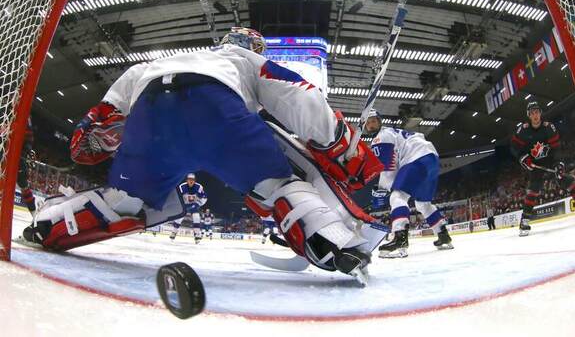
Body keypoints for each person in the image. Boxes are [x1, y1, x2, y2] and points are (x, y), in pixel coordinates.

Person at [24, 27, 381, 280]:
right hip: (216, 108)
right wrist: (341, 146)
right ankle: (336, 245)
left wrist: (99, 126)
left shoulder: (168, 57)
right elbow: (298, 97)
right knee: (278, 186)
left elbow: (110, 109)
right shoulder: (245, 60)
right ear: (254, 46)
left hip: (150, 111)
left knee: (127, 201)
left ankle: (49, 227)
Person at [365, 109, 453, 259]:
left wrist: (382, 189)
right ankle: (443, 235)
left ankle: (400, 238)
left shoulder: (380, 137)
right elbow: (396, 163)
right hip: (431, 158)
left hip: (415, 158)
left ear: (379, 122)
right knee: (423, 204)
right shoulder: (393, 133)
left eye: (373, 121)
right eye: (368, 123)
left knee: (397, 196)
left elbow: (388, 168)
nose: (371, 125)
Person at [511, 101, 575, 237]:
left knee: (564, 180)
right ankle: (524, 221)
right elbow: (514, 147)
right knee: (534, 189)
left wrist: (559, 164)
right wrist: (523, 158)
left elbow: (557, 148)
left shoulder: (549, 127)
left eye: (537, 112)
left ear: (540, 113)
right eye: (532, 113)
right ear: (529, 115)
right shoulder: (523, 130)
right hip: (534, 164)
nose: (535, 115)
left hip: (551, 161)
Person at [169, 173, 207, 243]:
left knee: (196, 217)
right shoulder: (182, 187)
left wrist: (198, 204)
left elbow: (204, 198)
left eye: (192, 180)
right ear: (187, 180)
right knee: (179, 218)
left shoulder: (199, 187)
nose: (191, 181)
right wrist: (180, 205)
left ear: (195, 180)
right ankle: (174, 232)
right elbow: (176, 197)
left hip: (193, 205)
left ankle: (197, 235)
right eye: (189, 179)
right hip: (184, 205)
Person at [18, 116, 37, 217]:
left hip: (18, 152)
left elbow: (29, 138)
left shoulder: (24, 114)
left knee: (23, 183)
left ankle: (34, 214)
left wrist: (26, 149)